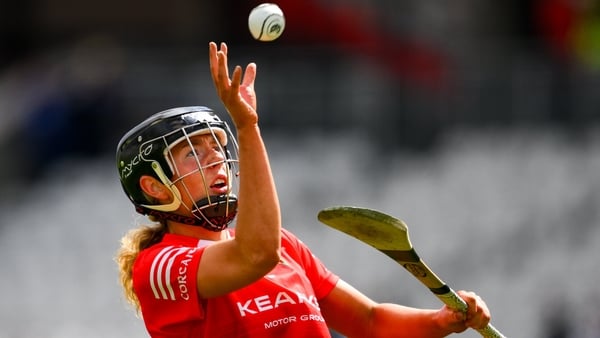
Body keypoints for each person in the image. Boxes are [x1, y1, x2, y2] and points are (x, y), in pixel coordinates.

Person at [115, 41, 491, 338]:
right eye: (193, 153)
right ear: (155, 188)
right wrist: (248, 129)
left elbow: (370, 321)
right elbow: (254, 255)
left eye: (217, 145)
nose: (215, 159)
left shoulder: (285, 246)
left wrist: (441, 321)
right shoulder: (159, 267)